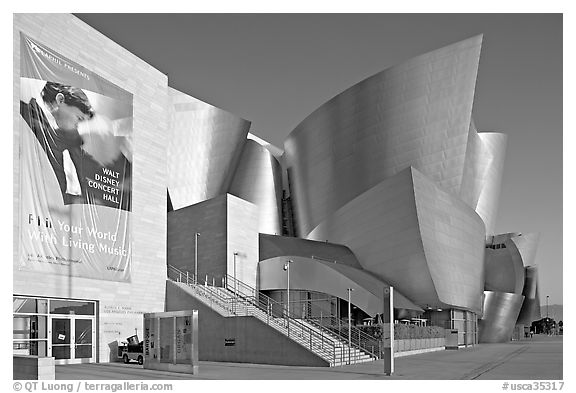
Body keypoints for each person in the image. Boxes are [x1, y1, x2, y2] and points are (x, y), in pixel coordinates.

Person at [21, 81, 131, 210]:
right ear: (60, 100)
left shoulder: (68, 136)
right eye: (78, 118)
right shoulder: (23, 114)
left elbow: (90, 168)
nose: (77, 125)